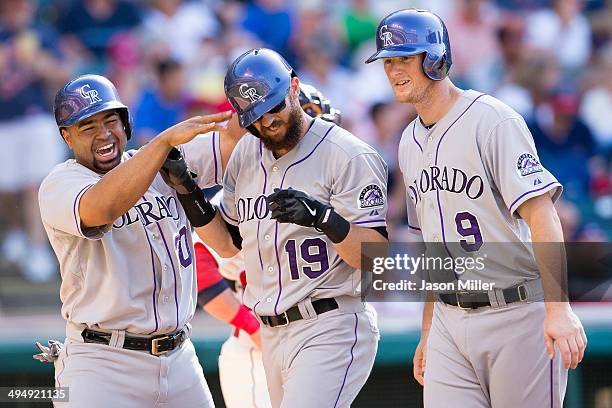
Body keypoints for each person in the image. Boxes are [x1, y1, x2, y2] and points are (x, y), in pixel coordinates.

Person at [366, 9, 587, 407]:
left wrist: (559, 310)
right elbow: (434, 249)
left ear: (434, 59)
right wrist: (428, 330)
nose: (394, 70)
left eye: (404, 58)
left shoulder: (493, 120)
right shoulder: (407, 141)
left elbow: (542, 215)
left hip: (517, 311)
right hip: (450, 321)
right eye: (388, 61)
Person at [162, 48, 387, 408]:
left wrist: (323, 218)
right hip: (270, 330)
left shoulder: (348, 154)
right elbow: (228, 244)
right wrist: (190, 193)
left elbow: (375, 256)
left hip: (329, 322)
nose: (266, 121)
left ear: (294, 88)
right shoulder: (246, 156)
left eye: (274, 107)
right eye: (255, 116)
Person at [37, 73, 232, 407]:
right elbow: (103, 207)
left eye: (110, 120)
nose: (104, 134)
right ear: (67, 137)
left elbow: (234, 140)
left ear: (125, 124)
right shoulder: (60, 183)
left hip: (180, 358)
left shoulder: (162, 164)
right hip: (102, 365)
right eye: (88, 127)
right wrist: (162, 143)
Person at [194, 84, 343, 408]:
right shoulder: (242, 193)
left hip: (323, 336)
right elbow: (201, 271)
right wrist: (250, 328)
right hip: (260, 343)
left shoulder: (337, 187)